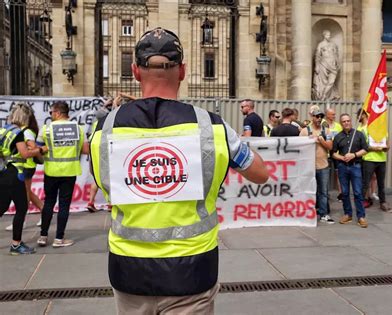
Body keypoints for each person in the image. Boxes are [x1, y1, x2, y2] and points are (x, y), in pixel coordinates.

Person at [89, 27, 269, 314]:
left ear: (135, 71)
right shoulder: (212, 127)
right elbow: (260, 173)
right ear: (183, 71)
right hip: (193, 269)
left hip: (128, 269)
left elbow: (104, 183)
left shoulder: (105, 129)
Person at [36, 101, 89, 248]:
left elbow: (38, 149)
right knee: (64, 205)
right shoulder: (78, 129)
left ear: (58, 113)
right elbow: (86, 150)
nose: (51, 115)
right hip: (69, 171)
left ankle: (43, 236)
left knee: (48, 203)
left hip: (51, 171)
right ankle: (59, 239)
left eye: (52, 113)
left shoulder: (46, 129)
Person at [0, 103, 43, 254]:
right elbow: (24, 154)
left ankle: (16, 244)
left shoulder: (3, 130)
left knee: (2, 207)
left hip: (3, 173)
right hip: (15, 174)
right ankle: (16, 244)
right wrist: (40, 150)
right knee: (22, 207)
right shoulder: (18, 133)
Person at [5, 110, 44, 230]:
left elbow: (33, 147)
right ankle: (44, 211)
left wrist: (28, 151)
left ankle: (22, 220)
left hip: (26, 166)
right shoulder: (24, 131)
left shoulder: (26, 132)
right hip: (23, 166)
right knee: (26, 192)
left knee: (24, 193)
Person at [332, 114, 368, 228]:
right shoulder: (338, 137)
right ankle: (348, 214)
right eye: (344, 121)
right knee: (345, 193)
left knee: (357, 192)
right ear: (341, 123)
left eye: (348, 121)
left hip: (356, 166)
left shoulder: (358, 134)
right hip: (343, 167)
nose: (346, 123)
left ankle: (361, 216)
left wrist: (354, 155)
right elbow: (333, 153)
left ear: (351, 122)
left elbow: (365, 149)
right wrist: (342, 157)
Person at [300, 105, 334, 224]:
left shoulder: (326, 130)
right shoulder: (305, 131)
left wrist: (321, 140)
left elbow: (330, 147)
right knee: (309, 190)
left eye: (321, 116)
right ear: (312, 117)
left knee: (323, 192)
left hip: (323, 166)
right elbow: (300, 149)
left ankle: (324, 214)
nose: (319, 118)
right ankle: (310, 212)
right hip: (309, 167)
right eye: (317, 116)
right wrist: (309, 140)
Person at [356, 108, 391, 212]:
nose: (357, 117)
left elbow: (387, 144)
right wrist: (374, 148)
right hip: (368, 159)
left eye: (359, 115)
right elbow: (361, 145)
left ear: (364, 115)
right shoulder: (360, 129)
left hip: (381, 159)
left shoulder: (380, 127)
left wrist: (386, 147)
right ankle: (361, 202)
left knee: (381, 183)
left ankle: (383, 202)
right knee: (365, 182)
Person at [312, 30, 340, 101]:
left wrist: (337, 63)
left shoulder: (333, 45)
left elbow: (336, 55)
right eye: (327, 35)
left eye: (329, 35)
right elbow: (317, 55)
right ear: (324, 36)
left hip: (332, 65)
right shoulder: (320, 44)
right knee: (323, 81)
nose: (329, 36)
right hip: (323, 64)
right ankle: (322, 96)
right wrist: (317, 66)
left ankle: (325, 94)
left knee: (331, 81)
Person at [323, 107, 343, 202]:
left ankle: (341, 194)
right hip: (325, 152)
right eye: (332, 114)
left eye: (334, 114)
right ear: (327, 115)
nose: (334, 116)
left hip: (336, 152)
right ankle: (324, 194)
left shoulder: (338, 126)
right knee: (324, 174)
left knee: (339, 173)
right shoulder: (322, 124)